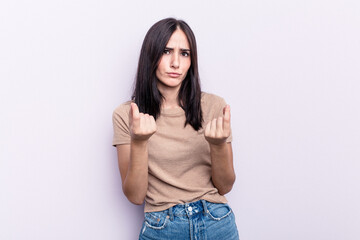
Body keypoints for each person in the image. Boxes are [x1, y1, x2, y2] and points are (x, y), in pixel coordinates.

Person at [112, 17, 239, 240]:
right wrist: (140, 142)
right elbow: (135, 195)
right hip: (163, 227)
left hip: (216, 221)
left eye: (184, 53)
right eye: (166, 51)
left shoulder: (213, 106)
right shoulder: (127, 115)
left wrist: (218, 145)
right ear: (151, 55)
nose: (176, 64)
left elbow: (225, 185)